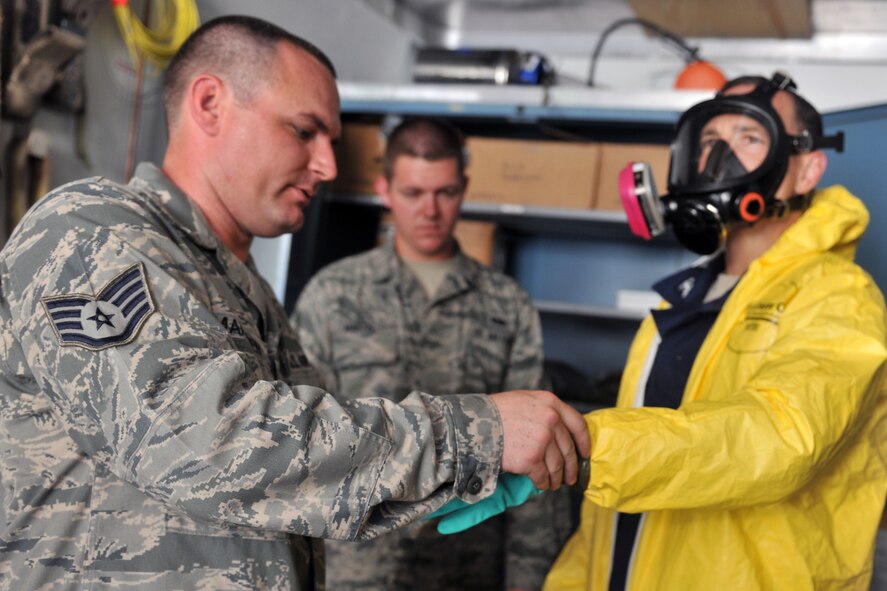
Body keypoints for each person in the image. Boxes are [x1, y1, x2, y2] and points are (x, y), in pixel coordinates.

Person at [0, 15, 590, 590]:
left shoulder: (242, 291)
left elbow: (300, 490)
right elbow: (200, 443)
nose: (328, 165)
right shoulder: (91, 231)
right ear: (209, 104)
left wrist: (476, 465)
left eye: (330, 140)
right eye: (304, 131)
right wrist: (475, 435)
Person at [433, 73, 887, 591]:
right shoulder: (682, 300)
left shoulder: (839, 294)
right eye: (711, 141)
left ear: (807, 170)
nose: (721, 159)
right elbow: (616, 517)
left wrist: (585, 445)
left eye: (749, 139)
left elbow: (781, 439)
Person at [293, 117, 574, 591]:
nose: (430, 210)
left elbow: (539, 458)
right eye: (413, 193)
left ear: (464, 188)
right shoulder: (332, 294)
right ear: (385, 189)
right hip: (354, 570)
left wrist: (530, 578)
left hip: (466, 566)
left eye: (444, 192)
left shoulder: (507, 305)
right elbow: (300, 438)